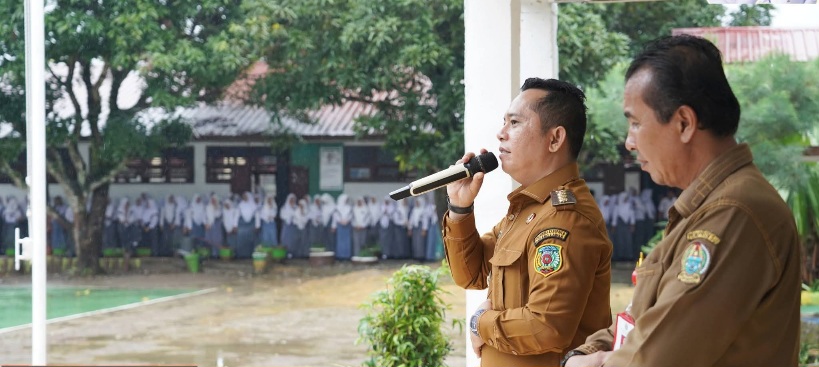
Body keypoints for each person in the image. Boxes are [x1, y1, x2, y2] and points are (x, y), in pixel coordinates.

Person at [563, 35, 800, 367]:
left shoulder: (733, 213)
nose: (630, 142)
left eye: (635, 123)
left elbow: (655, 357)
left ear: (684, 123)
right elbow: (638, 320)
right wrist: (583, 355)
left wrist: (595, 362)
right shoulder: (704, 208)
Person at [443, 78, 613, 367]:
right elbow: (471, 274)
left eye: (515, 123)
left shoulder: (565, 218)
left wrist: (480, 322)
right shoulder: (528, 209)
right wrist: (460, 208)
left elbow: (546, 327)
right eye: (504, 122)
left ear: (555, 139)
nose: (501, 134)